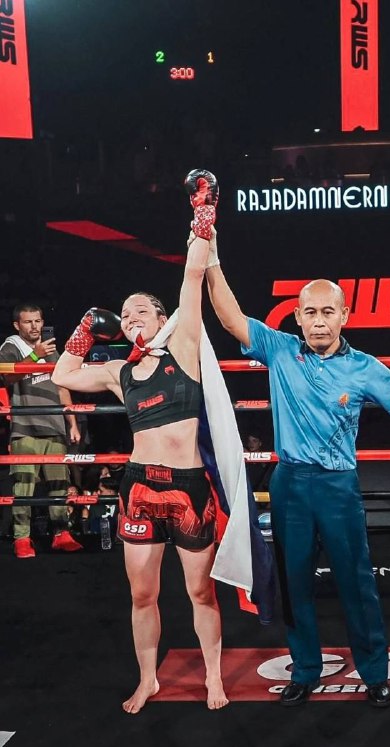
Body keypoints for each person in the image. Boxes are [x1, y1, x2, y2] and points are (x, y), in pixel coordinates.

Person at [204, 228, 390, 708]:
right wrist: (211, 257)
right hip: (290, 484)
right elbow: (230, 317)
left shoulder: (363, 366)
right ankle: (304, 670)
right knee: (294, 581)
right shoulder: (280, 349)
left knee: (356, 581)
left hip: (338, 485)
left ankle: (375, 673)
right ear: (298, 316)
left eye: (327, 312)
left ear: (344, 315)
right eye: (310, 312)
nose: (319, 321)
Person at [52, 180, 230, 714]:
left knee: (201, 592)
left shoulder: (185, 347)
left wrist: (203, 216)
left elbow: (193, 277)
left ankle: (214, 678)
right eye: (124, 315)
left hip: (188, 487)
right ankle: (148, 679)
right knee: (141, 594)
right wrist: (86, 326)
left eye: (139, 312)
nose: (130, 318)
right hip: (139, 490)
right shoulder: (118, 371)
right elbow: (63, 373)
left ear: (160, 317)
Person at [0, 303, 82, 558]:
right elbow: (8, 378)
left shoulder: (51, 349)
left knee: (59, 483)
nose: (34, 326)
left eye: (38, 321)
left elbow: (62, 385)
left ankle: (61, 533)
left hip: (54, 425)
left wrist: (72, 422)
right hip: (25, 427)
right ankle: (22, 538)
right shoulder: (10, 347)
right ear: (17, 325)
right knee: (24, 485)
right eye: (28, 321)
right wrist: (35, 356)